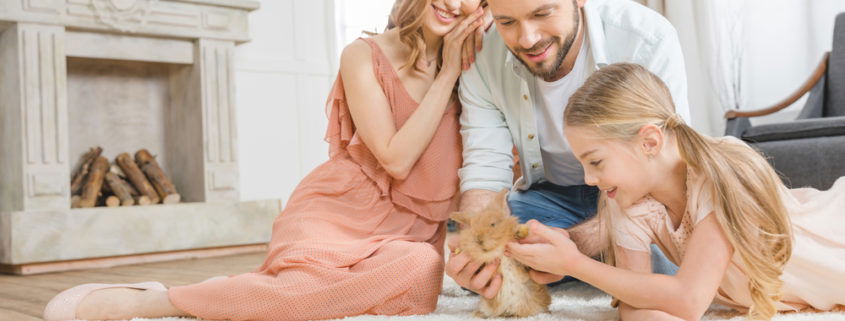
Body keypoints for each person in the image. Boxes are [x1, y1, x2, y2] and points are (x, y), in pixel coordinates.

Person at [43, 1, 486, 320]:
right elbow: (395, 158)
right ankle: (155, 302)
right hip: (340, 210)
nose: (451, 2)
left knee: (423, 269)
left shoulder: (482, 67)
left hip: (406, 234)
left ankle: (247, 295)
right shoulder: (363, 55)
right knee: (303, 290)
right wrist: (445, 74)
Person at [507, 62, 845, 321]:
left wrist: (574, 263)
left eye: (595, 161)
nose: (589, 179)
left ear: (650, 142)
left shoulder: (720, 170)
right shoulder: (626, 201)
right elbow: (635, 301)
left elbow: (689, 299)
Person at [446, 0, 690, 298]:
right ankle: (596, 264)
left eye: (542, 14)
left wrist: (572, 247)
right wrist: (478, 246)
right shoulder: (483, 54)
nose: (528, 39)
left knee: (673, 260)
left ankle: (585, 262)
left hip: (639, 199)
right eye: (507, 22)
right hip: (550, 198)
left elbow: (666, 171)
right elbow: (485, 170)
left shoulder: (645, 37)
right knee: (486, 252)